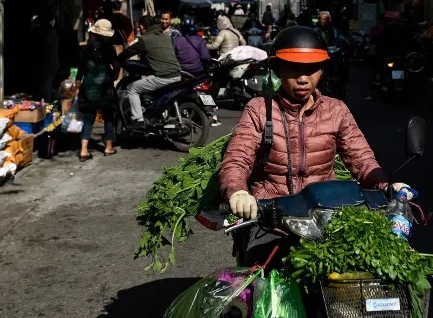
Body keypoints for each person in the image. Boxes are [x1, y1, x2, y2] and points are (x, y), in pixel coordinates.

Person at [220, 26, 413, 262]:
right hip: (272, 219)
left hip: (325, 219)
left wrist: (385, 185)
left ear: (321, 71)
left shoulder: (337, 110)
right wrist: (238, 191)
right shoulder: (259, 109)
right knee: (258, 281)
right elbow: (237, 157)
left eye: (311, 69)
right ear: (278, 69)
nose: (303, 78)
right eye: (294, 68)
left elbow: (361, 159)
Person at [117, 15, 183, 124]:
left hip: (163, 77)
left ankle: (138, 120)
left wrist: (118, 58)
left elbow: (130, 51)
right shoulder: (165, 36)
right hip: (177, 75)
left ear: (142, 27)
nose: (139, 30)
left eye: (139, 28)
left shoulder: (145, 39)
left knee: (132, 88)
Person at [75, 19, 118, 161]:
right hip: (105, 88)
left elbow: (80, 71)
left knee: (88, 119)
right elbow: (116, 68)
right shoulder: (109, 49)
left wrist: (77, 86)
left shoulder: (85, 49)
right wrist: (112, 76)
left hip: (88, 88)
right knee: (108, 118)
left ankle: (83, 150)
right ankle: (108, 147)